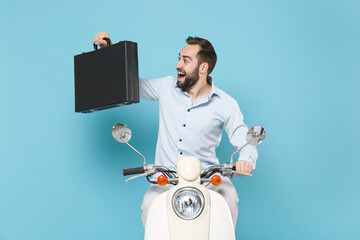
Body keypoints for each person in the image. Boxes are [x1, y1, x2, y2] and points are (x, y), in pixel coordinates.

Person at [94, 31, 258, 228]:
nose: (178, 65)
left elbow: (243, 137)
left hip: (208, 179)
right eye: (179, 58)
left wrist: (245, 161)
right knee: (148, 206)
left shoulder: (225, 103)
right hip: (165, 179)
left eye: (185, 60)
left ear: (203, 67)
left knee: (229, 197)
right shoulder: (166, 87)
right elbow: (128, 84)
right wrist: (108, 53)